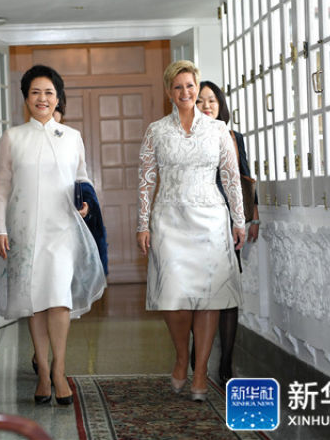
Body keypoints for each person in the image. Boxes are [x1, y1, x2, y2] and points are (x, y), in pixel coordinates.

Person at [0, 65, 106, 405]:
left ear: (58, 98)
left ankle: (59, 369)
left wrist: (86, 205)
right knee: (35, 302)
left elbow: (82, 179)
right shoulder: (13, 137)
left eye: (49, 93)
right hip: (24, 232)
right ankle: (42, 370)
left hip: (62, 230)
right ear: (26, 98)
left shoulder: (72, 137)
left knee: (58, 298)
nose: (42, 98)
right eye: (35, 92)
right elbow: (0, 187)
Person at [136, 60, 245, 402]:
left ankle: (200, 372)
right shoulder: (156, 131)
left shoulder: (218, 130)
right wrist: (142, 223)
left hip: (211, 220)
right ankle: (182, 356)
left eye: (190, 86)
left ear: (197, 89)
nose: (185, 92)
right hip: (169, 220)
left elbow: (231, 177)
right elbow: (146, 180)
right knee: (174, 298)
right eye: (178, 86)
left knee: (210, 297)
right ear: (169, 91)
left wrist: (239, 220)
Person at [195, 80, 260, 387]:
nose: (206, 105)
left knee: (228, 291)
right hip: (196, 223)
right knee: (198, 291)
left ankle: (226, 363)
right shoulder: (186, 137)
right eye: (200, 101)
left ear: (220, 105)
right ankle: (198, 355)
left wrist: (252, 216)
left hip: (228, 223)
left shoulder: (233, 137)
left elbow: (245, 176)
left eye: (212, 100)